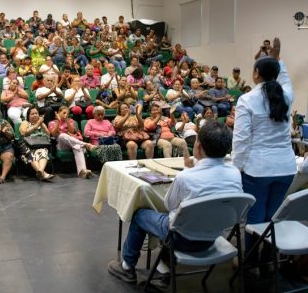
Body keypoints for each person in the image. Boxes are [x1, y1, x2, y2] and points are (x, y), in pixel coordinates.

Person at [108, 120, 242, 283]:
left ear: (198, 146)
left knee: (140, 215)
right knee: (181, 217)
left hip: (181, 240)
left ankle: (127, 267)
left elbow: (168, 205)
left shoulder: (186, 177)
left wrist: (188, 171)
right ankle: (163, 267)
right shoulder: (235, 173)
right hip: (213, 237)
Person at [232, 38, 296, 269]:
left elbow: (241, 141)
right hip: (286, 168)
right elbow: (285, 79)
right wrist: (278, 58)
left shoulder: (247, 99)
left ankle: (249, 262)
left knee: (256, 219)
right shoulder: (287, 96)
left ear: (256, 73)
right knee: (273, 218)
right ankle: (267, 260)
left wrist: (236, 168)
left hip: (257, 170)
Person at [48, 106, 96, 178]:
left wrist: (66, 120)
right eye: (64, 113)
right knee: (62, 135)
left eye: (67, 113)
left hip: (72, 142)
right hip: (61, 145)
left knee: (77, 147)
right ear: (58, 113)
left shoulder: (70, 121)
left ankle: (83, 171)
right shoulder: (52, 122)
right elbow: (53, 134)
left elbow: (72, 131)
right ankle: (85, 144)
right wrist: (58, 121)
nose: (65, 114)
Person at [19, 105, 54, 181]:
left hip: (40, 145)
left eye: (36, 113)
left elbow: (48, 135)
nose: (35, 115)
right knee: (31, 154)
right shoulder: (25, 123)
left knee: (44, 151)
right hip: (27, 146)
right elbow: (23, 133)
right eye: (32, 114)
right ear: (28, 116)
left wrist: (42, 125)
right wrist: (37, 124)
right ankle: (43, 173)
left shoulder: (41, 123)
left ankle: (40, 171)